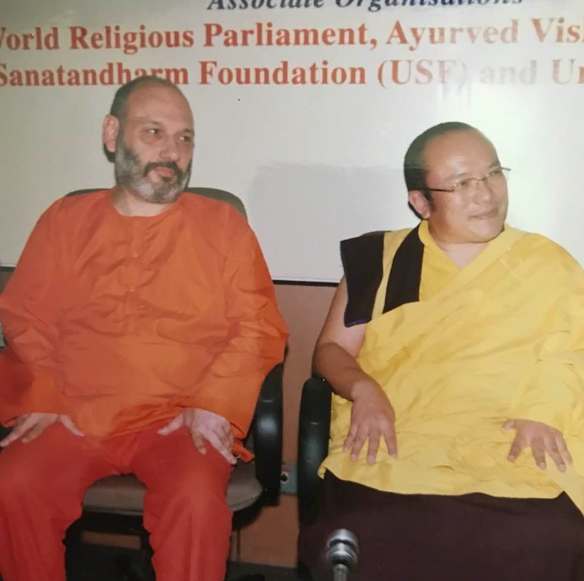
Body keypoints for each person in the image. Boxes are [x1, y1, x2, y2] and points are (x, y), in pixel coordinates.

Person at [0, 75, 288, 581]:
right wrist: (43, 392)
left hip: (178, 420)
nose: (172, 151)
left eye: (184, 137)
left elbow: (258, 326)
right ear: (112, 134)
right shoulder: (65, 220)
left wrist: (214, 402)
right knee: (13, 485)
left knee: (195, 499)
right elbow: (27, 316)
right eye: (154, 131)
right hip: (74, 411)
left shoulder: (224, 227)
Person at [299, 122, 584, 580]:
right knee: (370, 529)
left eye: (493, 174)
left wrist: (545, 410)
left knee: (547, 535)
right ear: (420, 201)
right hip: (402, 437)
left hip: (510, 441)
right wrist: (364, 389)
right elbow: (332, 349)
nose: (485, 194)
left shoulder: (547, 262)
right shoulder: (381, 260)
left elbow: (573, 350)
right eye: (462, 183)